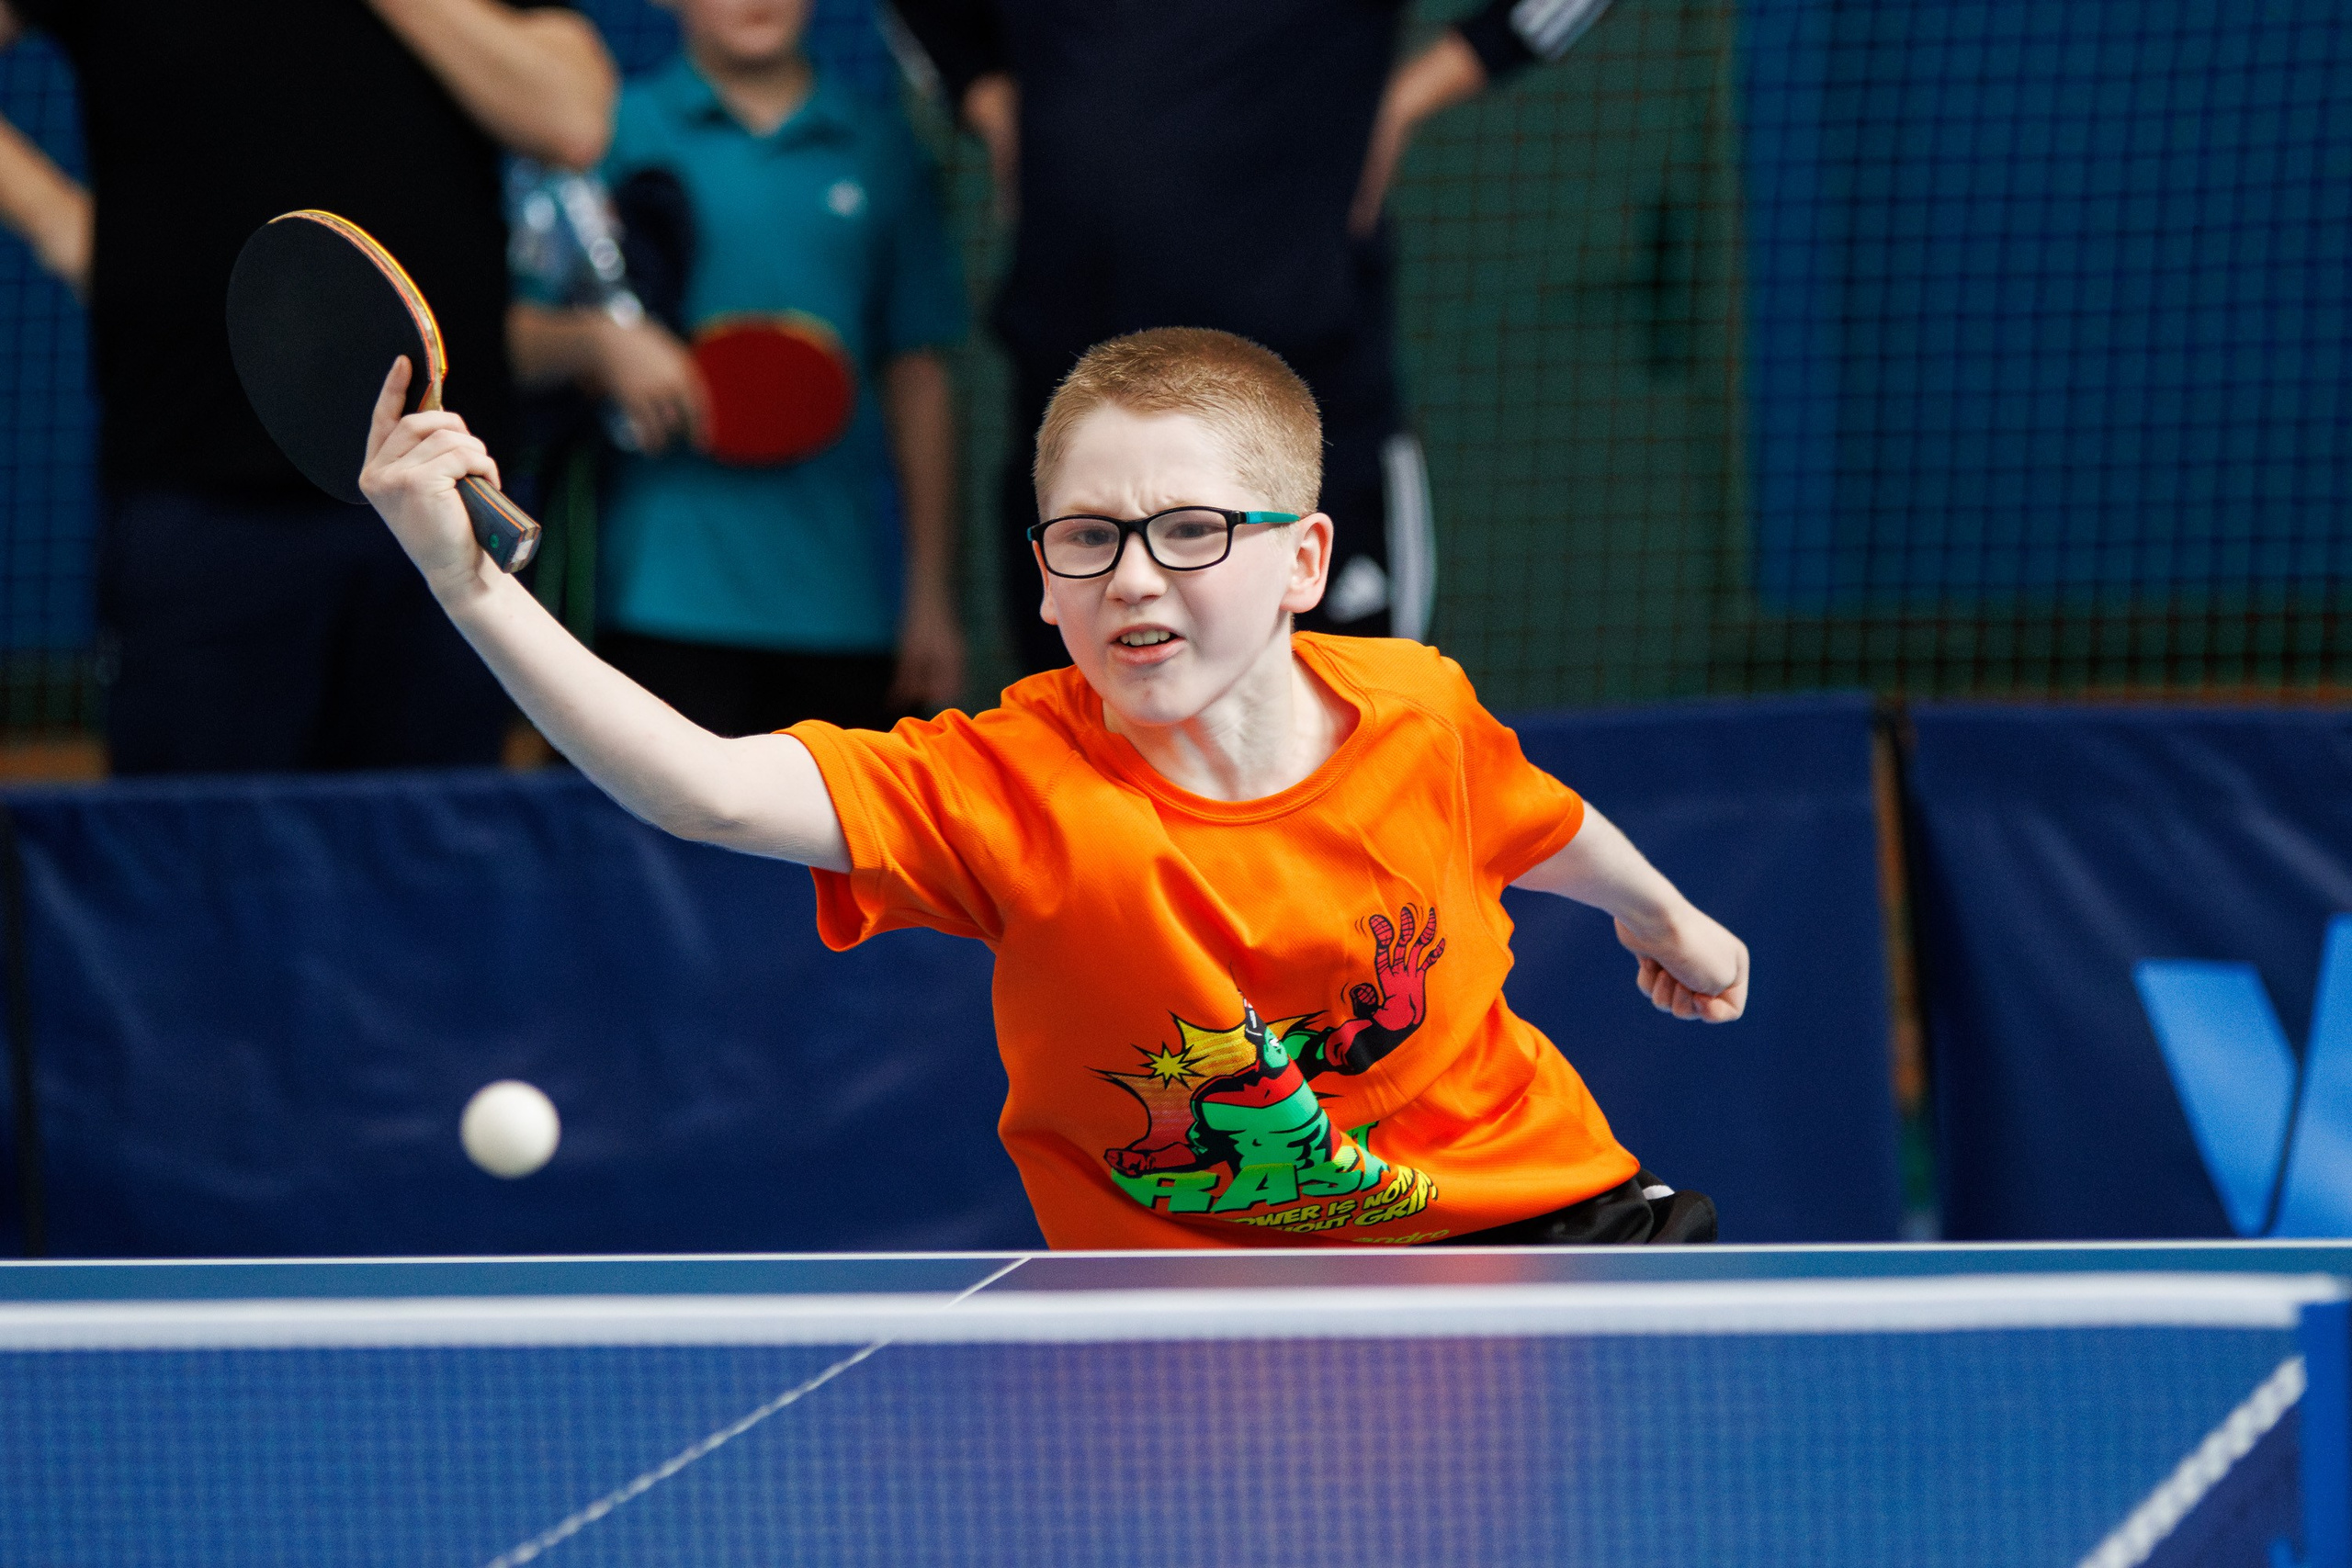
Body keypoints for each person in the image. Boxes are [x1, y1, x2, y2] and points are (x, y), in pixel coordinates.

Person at [359, 325, 1744, 1247]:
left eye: (1191, 530)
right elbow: (709, 792)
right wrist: (464, 581)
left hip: (1543, 1227)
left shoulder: (1417, 709)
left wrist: (1663, 913)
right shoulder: (1004, 787)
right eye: (1089, 537)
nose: (1134, 574)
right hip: (1188, 1313)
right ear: (1043, 579)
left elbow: (1537, 819)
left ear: (1306, 560)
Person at [890, 0, 1613, 674]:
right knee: (1082, 754)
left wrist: (1401, 101)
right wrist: (987, 97)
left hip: (1305, 386)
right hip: (1075, 389)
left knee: (1346, 723)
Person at [0, 0, 614, 773]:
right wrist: (52, 217)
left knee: (429, 853)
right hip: (198, 497)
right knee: (197, 854)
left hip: (440, 500)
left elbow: (570, 119)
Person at [509, 0, 967, 736]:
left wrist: (932, 597)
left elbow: (920, 377)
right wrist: (599, 342)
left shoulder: (884, 148)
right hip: (654, 599)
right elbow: (508, 338)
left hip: (843, 607)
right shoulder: (605, 131)